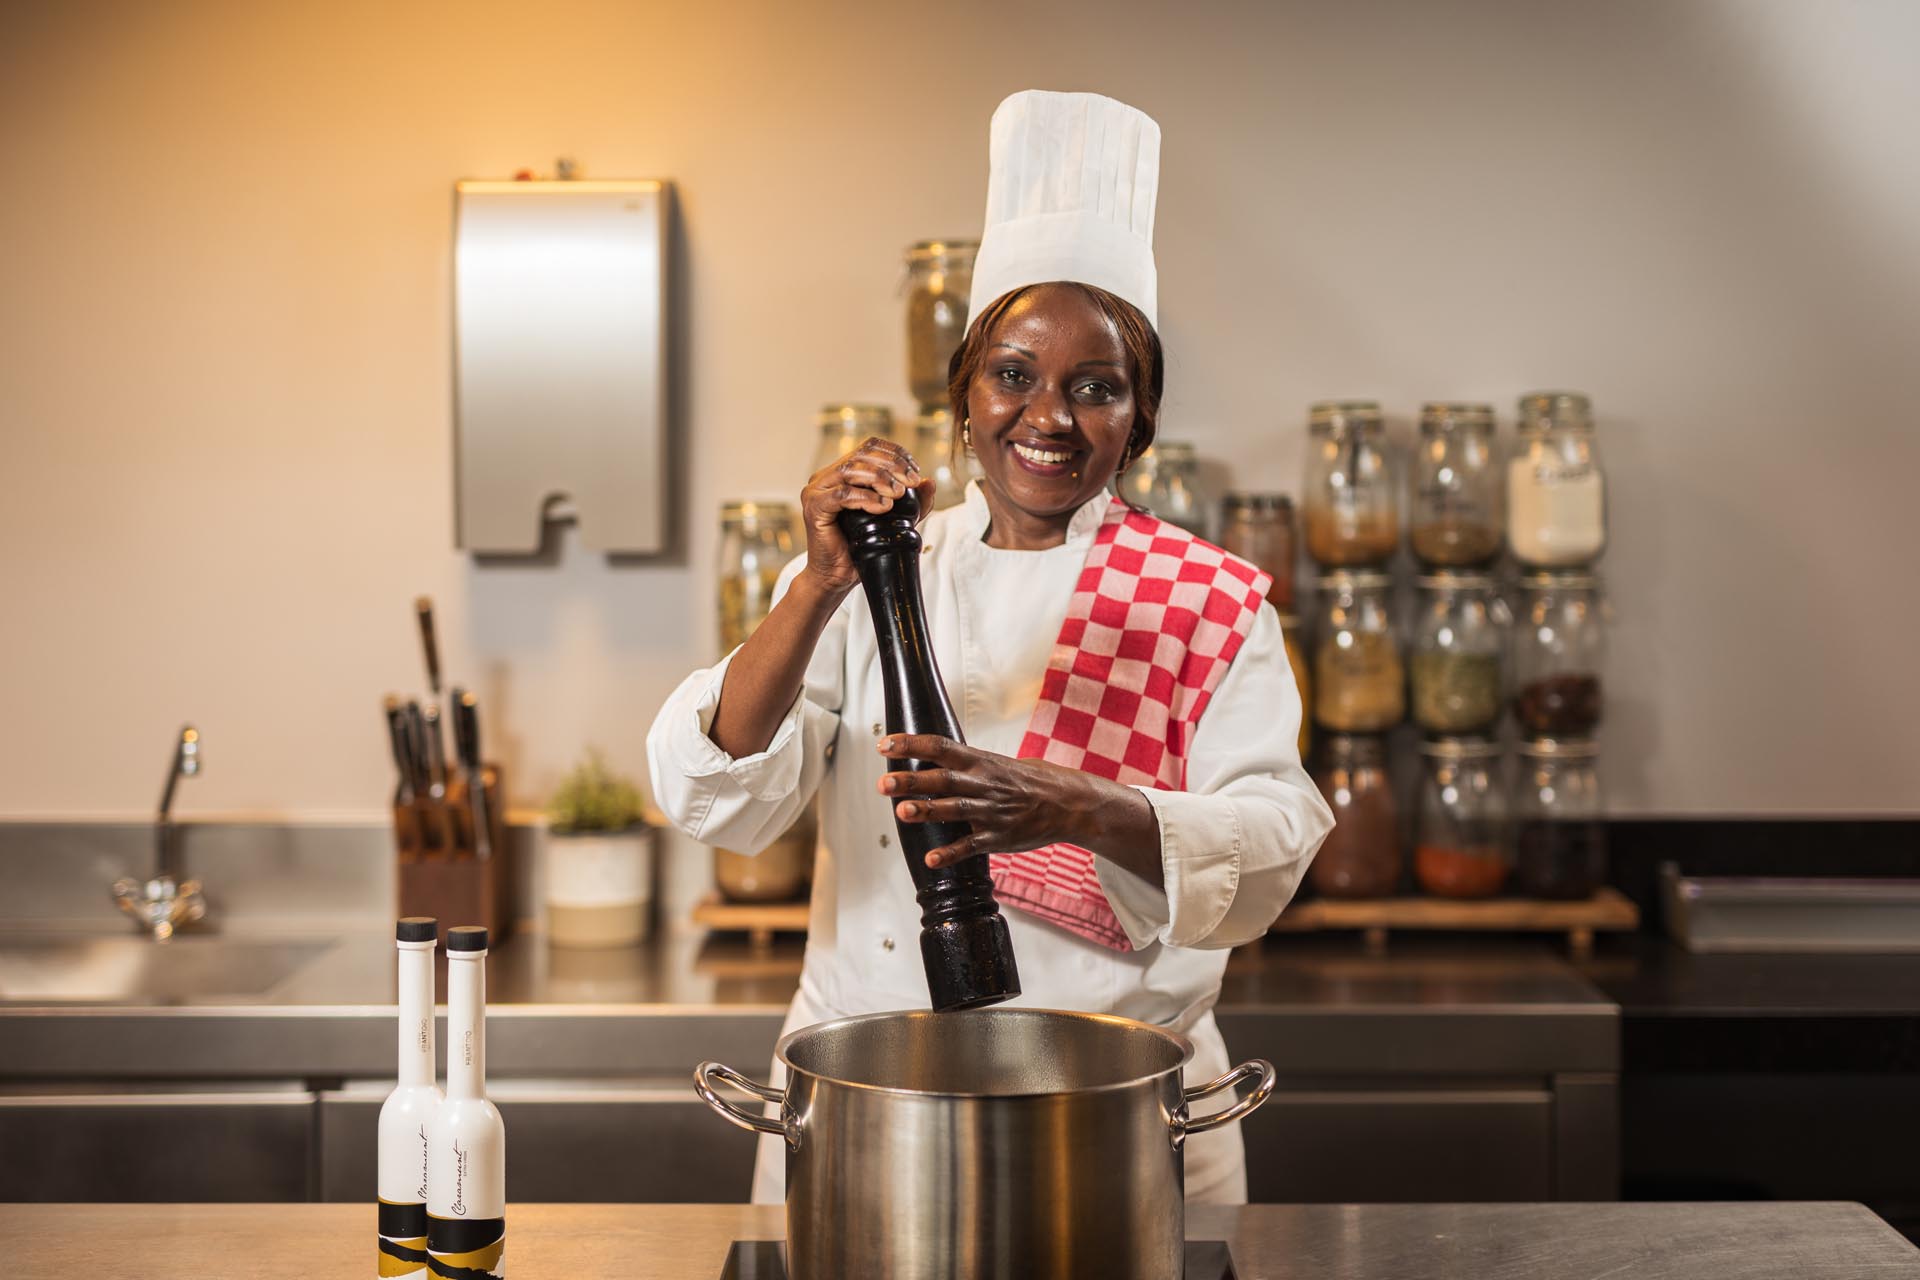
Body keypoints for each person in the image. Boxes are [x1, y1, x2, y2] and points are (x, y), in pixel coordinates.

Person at [648, 89, 1333, 1205]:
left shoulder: (1206, 599)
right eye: (1014, 374)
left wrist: (1073, 804)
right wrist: (820, 578)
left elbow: (1268, 853)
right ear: (964, 396)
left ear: (1138, 420)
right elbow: (714, 793)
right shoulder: (870, 572)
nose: (1048, 416)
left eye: (1096, 387)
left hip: (1120, 1115)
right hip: (868, 1104)